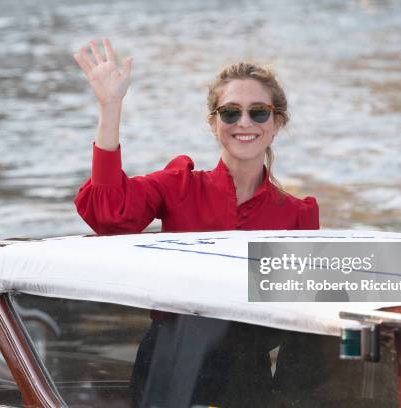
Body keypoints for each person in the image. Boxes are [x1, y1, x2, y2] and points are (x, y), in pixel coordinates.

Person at [73, 38, 319, 407]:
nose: (244, 123)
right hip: (171, 360)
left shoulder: (297, 214)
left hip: (246, 374)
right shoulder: (180, 185)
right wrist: (110, 107)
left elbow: (301, 316)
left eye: (259, 112)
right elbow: (110, 215)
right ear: (213, 123)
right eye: (230, 112)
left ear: (277, 122)